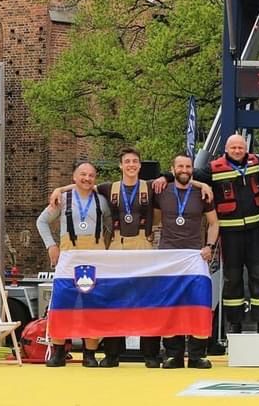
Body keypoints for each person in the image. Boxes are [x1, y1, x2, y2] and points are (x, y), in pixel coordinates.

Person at [48, 148, 211, 367]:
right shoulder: (109, 188)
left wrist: (203, 185)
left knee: (148, 299)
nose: (131, 165)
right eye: (127, 161)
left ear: (140, 165)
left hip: (143, 245)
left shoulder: (152, 186)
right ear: (121, 165)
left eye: (135, 161)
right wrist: (59, 189)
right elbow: (83, 185)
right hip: (118, 246)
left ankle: (150, 354)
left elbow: (181, 178)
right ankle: (113, 354)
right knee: (115, 298)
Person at [156, 134, 259, 333]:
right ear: (226, 149)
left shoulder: (256, 162)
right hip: (230, 234)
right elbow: (186, 175)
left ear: (246, 148)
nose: (237, 151)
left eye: (240, 147)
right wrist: (166, 177)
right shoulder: (213, 168)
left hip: (255, 232)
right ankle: (234, 326)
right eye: (233, 147)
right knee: (232, 279)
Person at [35, 161, 111, 367]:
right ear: (74, 177)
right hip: (68, 258)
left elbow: (110, 226)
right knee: (62, 304)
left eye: (91, 175)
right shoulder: (63, 199)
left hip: (94, 259)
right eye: (83, 174)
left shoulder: (101, 201)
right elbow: (41, 221)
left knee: (92, 305)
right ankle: (59, 351)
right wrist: (51, 245)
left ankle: (90, 353)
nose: (87, 178)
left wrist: (106, 249)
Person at [157, 154, 219, 369]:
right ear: (172, 169)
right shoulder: (161, 190)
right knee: (170, 305)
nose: (184, 170)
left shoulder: (203, 193)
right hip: (168, 256)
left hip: (195, 256)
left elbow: (214, 223)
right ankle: (173, 355)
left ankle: (196, 355)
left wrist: (209, 246)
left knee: (197, 304)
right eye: (180, 166)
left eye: (188, 166)